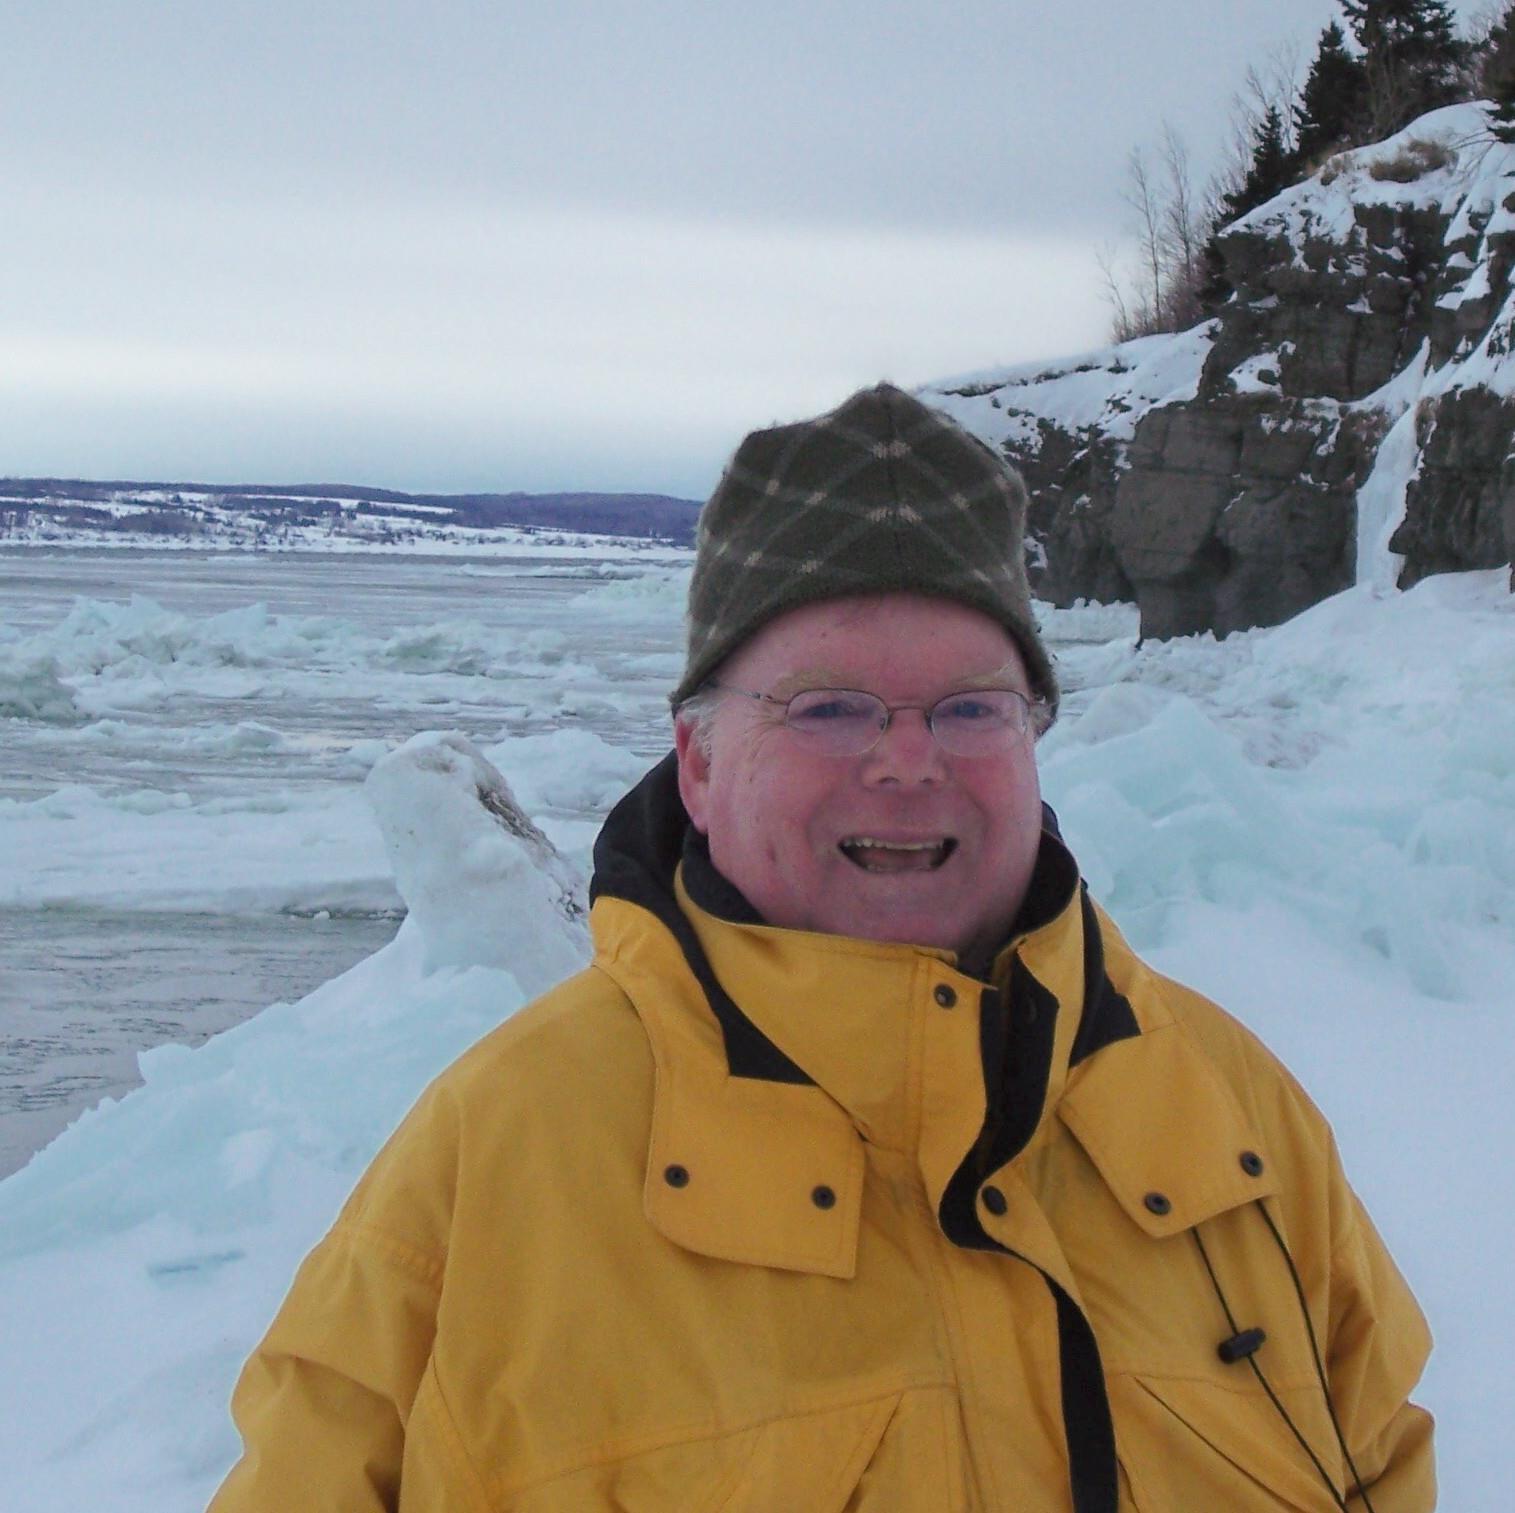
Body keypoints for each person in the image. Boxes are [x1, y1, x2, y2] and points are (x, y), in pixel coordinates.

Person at [210, 384, 1434, 1511]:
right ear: (697, 763)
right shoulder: (489, 1168)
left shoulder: (1239, 1118)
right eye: (829, 707)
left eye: (971, 706)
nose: (908, 760)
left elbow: (1383, 1462)